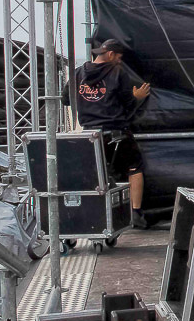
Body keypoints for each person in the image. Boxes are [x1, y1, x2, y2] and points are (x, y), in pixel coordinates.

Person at [63, 39, 151, 229]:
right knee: (134, 168)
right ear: (111, 54)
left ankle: (90, 215)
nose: (119, 61)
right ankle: (135, 213)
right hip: (115, 132)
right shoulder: (118, 72)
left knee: (94, 176)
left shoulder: (77, 73)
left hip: (89, 135)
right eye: (119, 57)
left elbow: (65, 100)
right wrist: (137, 97)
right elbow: (128, 103)